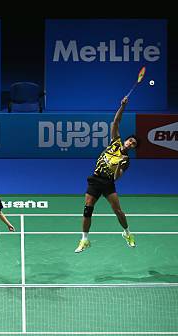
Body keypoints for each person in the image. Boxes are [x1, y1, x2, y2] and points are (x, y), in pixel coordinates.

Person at [74, 97, 138, 253]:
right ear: (126, 140)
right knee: (87, 210)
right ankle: (84, 239)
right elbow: (116, 123)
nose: (130, 143)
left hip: (108, 183)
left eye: (133, 144)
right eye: (130, 140)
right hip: (95, 179)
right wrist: (122, 106)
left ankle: (127, 233)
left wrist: (119, 163)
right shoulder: (115, 142)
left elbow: (116, 177)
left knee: (118, 211)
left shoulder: (126, 160)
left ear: (133, 148)